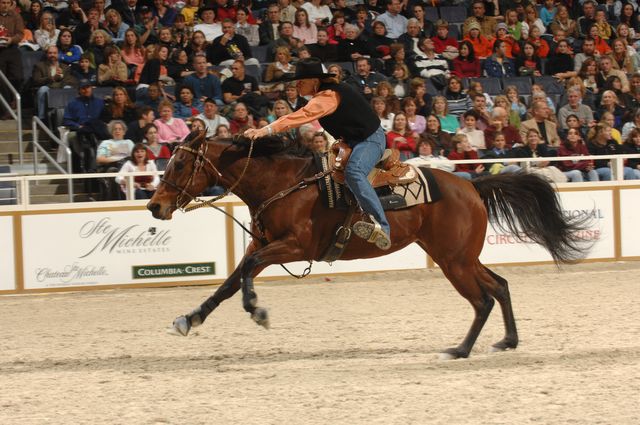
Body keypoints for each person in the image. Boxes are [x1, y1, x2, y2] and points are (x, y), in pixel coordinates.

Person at [243, 58, 392, 250]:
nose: (297, 85)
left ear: (315, 81)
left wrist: (264, 131)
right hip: (354, 142)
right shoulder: (325, 95)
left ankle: (381, 226)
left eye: (301, 81)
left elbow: (299, 116)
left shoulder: (328, 96)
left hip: (370, 140)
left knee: (354, 173)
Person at [32, 45, 77, 121]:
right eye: (50, 53)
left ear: (58, 54)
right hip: (48, 87)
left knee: (68, 88)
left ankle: (70, 116)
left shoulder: (65, 67)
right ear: (46, 54)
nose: (52, 55)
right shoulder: (39, 66)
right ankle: (42, 118)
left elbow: (72, 81)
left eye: (54, 53)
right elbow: (36, 80)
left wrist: (61, 76)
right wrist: (52, 78)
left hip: (60, 88)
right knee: (43, 89)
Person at [0, 0, 25, 119]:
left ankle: (13, 99)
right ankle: (6, 110)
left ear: (11, 4)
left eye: (7, 3)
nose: (5, 5)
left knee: (18, 76)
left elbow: (20, 34)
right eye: (2, 2)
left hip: (12, 48)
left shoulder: (16, 16)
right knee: (2, 80)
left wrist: (11, 40)